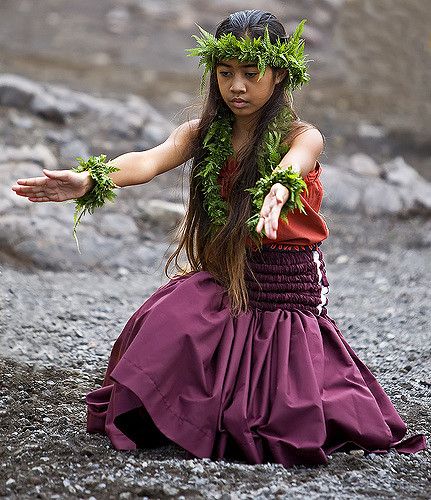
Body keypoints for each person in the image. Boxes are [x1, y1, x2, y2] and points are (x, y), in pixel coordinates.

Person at [11, 10, 426, 468]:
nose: (237, 87)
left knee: (282, 413)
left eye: (251, 74)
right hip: (226, 272)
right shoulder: (202, 132)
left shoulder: (302, 135)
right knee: (166, 325)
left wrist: (279, 188)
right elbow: (148, 161)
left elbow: (298, 162)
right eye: (225, 74)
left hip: (284, 285)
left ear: (280, 74)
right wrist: (91, 179)